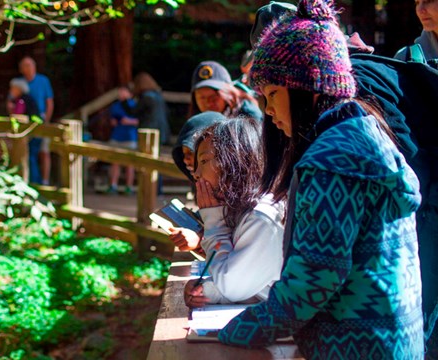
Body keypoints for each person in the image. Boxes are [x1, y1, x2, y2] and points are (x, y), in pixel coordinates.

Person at [219, 1, 424, 358]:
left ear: (307, 88)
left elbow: (312, 282)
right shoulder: (367, 134)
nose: (267, 111)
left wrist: (233, 329)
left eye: (271, 94)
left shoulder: (331, 162)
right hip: (394, 343)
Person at [183, 116, 284, 306]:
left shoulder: (261, 217)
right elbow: (254, 288)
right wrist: (208, 293)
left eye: (204, 160)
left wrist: (214, 222)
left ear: (235, 160)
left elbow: (231, 287)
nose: (196, 173)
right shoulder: (243, 211)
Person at [169, 112, 226, 251]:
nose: (185, 160)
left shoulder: (245, 201)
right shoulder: (209, 187)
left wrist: (200, 239)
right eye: (183, 154)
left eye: (191, 153)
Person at [19, 56, 54, 185]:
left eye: (30, 65)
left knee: (44, 152)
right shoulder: (20, 83)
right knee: (28, 153)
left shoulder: (43, 81)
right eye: (25, 66)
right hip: (25, 124)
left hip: (42, 121)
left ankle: (44, 181)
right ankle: (31, 180)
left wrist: (47, 121)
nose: (28, 68)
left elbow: (49, 102)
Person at [189, 61, 262, 122]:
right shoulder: (195, 121)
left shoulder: (250, 115)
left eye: (214, 97)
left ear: (228, 93)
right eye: (202, 98)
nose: (208, 103)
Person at [0, 78, 40, 159]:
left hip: (31, 131)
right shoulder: (26, 98)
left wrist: (11, 108)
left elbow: (17, 116)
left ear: (19, 89)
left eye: (12, 88)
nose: (11, 91)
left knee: (29, 157)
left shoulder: (21, 100)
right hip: (33, 129)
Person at [106, 86, 138, 195]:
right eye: (120, 92)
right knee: (115, 163)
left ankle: (129, 187)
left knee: (130, 164)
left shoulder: (135, 105)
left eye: (123, 92)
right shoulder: (115, 106)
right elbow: (112, 119)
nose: (121, 95)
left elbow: (140, 120)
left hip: (130, 137)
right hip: (117, 136)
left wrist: (128, 121)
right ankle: (113, 186)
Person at [132, 72, 171, 146]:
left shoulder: (145, 97)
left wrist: (125, 101)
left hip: (149, 130)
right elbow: (167, 112)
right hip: (162, 129)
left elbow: (134, 112)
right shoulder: (158, 95)